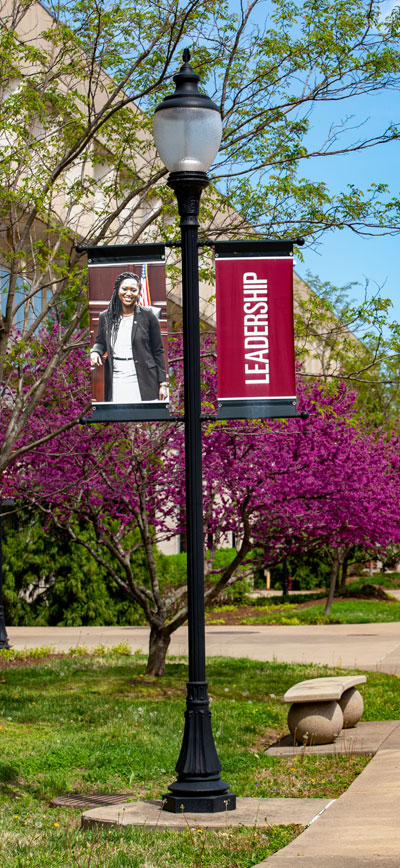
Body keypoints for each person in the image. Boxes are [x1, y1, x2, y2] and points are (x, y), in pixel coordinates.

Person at [90, 271, 168, 403]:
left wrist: (163, 383)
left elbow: (158, 351)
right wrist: (95, 351)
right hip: (116, 376)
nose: (128, 293)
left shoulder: (148, 316)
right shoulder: (106, 316)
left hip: (144, 377)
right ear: (117, 290)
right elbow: (100, 342)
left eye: (133, 290)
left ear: (139, 293)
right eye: (124, 289)